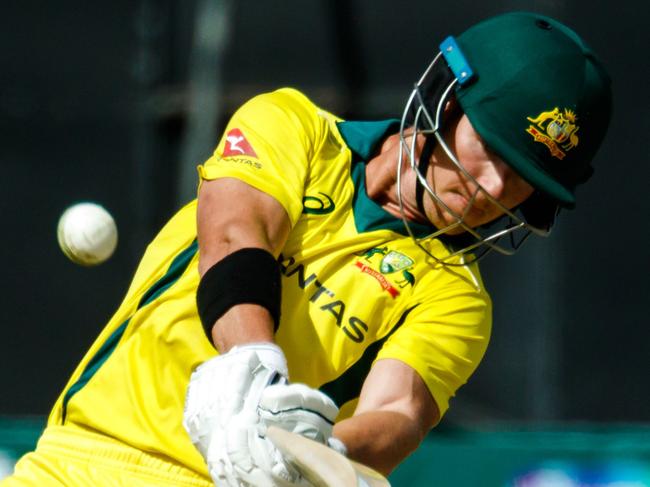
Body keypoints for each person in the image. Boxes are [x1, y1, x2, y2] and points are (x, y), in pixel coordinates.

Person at [2, 11, 611, 487]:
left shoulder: (457, 298)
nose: (498, 189)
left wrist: (320, 451)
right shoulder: (295, 126)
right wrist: (251, 364)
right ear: (449, 99)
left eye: (526, 175)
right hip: (81, 458)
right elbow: (237, 232)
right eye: (498, 150)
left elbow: (398, 413)